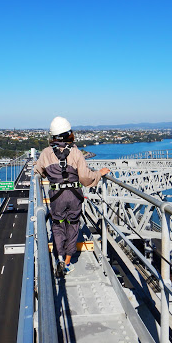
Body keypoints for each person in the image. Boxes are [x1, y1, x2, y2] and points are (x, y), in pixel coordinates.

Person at [34, 116, 110, 277]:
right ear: (67, 134)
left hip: (56, 196)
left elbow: (38, 172)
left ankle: (59, 258)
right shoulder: (76, 153)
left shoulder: (46, 153)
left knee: (58, 224)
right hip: (74, 195)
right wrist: (99, 174)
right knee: (73, 225)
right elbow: (85, 177)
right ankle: (67, 262)